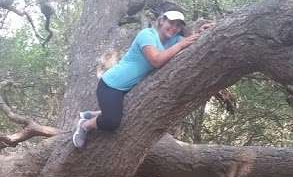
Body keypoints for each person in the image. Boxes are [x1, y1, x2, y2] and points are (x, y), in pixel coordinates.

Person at [72, 9, 211, 148]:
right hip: (111, 84)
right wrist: (181, 45)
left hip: (129, 88)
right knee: (112, 122)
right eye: (171, 23)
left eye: (178, 26)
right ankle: (85, 125)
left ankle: (92, 114)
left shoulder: (174, 40)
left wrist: (202, 32)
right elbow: (156, 60)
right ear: (162, 21)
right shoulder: (147, 34)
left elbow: (192, 41)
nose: (174, 28)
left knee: (122, 112)